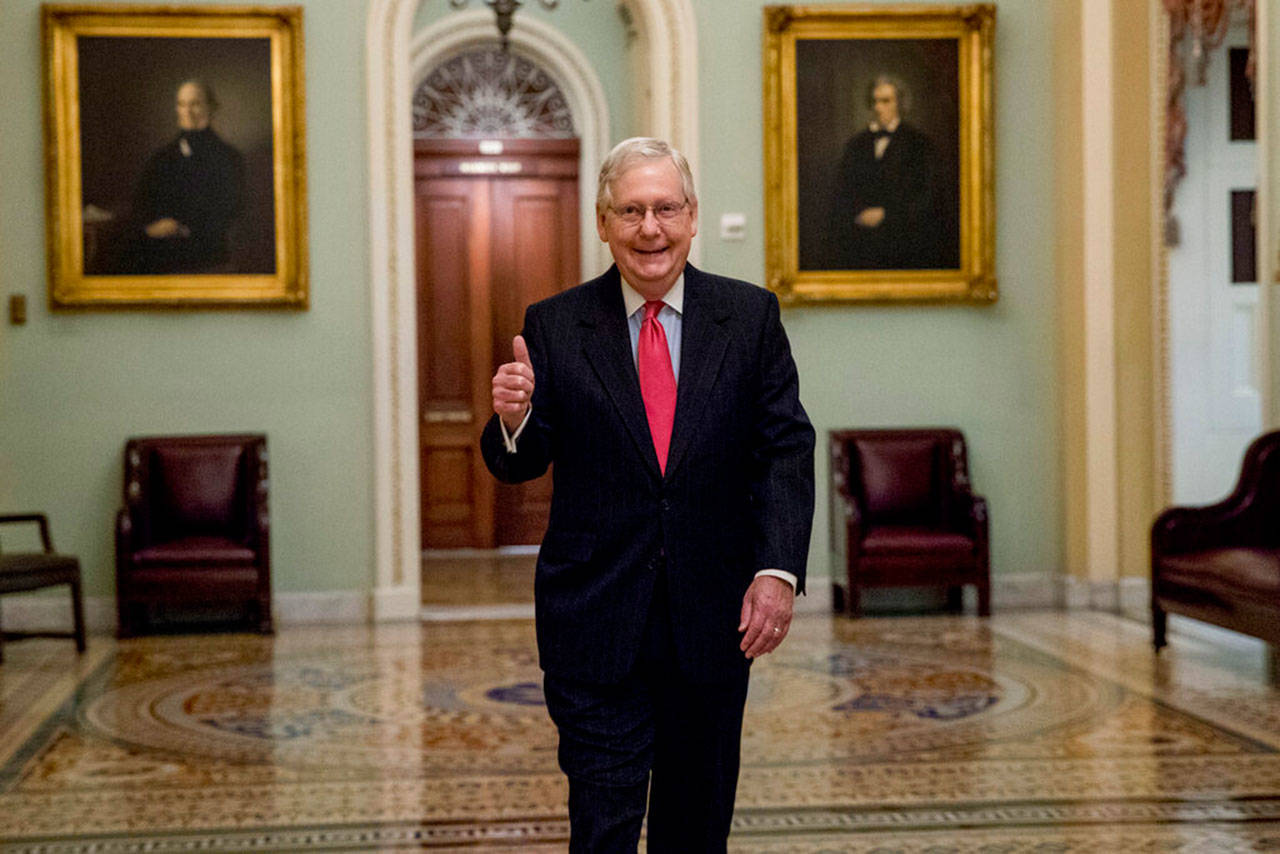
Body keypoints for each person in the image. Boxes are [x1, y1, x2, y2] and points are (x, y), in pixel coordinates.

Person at [481, 137, 815, 852]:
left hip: (713, 623)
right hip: (595, 621)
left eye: (665, 208)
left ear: (693, 217)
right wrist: (515, 421)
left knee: (693, 832)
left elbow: (784, 448)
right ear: (603, 223)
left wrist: (776, 571)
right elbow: (521, 465)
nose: (650, 229)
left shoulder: (749, 319)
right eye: (630, 211)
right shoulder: (555, 325)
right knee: (602, 825)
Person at [116, 79, 244, 274]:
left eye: (195, 104)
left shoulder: (229, 157)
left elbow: (231, 210)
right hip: (158, 248)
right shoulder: (161, 157)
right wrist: (151, 228)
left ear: (211, 107)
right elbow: (141, 205)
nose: (187, 111)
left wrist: (182, 228)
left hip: (205, 251)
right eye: (182, 104)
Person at [832, 74, 940, 269]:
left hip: (904, 245)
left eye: (886, 101)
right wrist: (857, 214)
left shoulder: (919, 144)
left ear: (900, 103)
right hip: (860, 246)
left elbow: (926, 197)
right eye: (874, 101)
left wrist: (886, 215)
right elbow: (841, 192)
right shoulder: (856, 145)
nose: (878, 108)